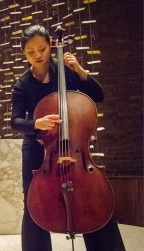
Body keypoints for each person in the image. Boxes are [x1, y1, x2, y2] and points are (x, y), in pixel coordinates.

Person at [11, 24, 126, 251]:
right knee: (34, 203)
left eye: (42, 49)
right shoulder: (22, 84)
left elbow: (98, 95)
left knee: (91, 197)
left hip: (75, 147)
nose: (38, 55)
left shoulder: (67, 73)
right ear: (24, 53)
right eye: (31, 52)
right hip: (38, 150)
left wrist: (80, 70)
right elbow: (14, 122)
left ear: (51, 47)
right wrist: (36, 123)